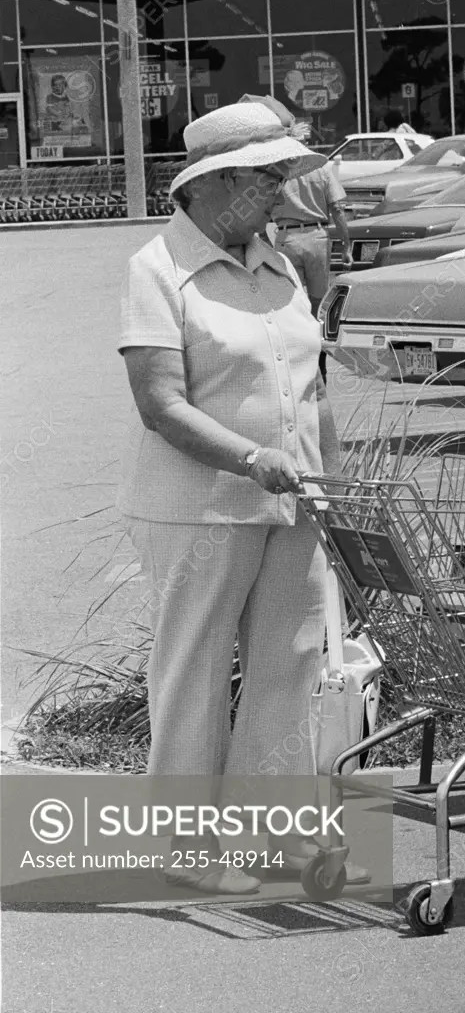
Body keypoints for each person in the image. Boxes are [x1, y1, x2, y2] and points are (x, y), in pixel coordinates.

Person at [116, 100, 366, 895]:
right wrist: (252, 458)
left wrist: (334, 484)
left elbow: (312, 384)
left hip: (293, 503)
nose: (282, 190)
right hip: (200, 507)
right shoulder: (156, 269)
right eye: (267, 176)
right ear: (217, 182)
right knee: (193, 667)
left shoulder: (281, 263)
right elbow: (161, 405)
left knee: (289, 664)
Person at [269, 119, 352, 383]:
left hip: (285, 238)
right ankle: (319, 368)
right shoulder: (322, 169)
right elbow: (337, 210)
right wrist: (346, 246)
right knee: (318, 306)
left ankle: (294, 365)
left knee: (287, 304)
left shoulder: (276, 171)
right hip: (317, 237)